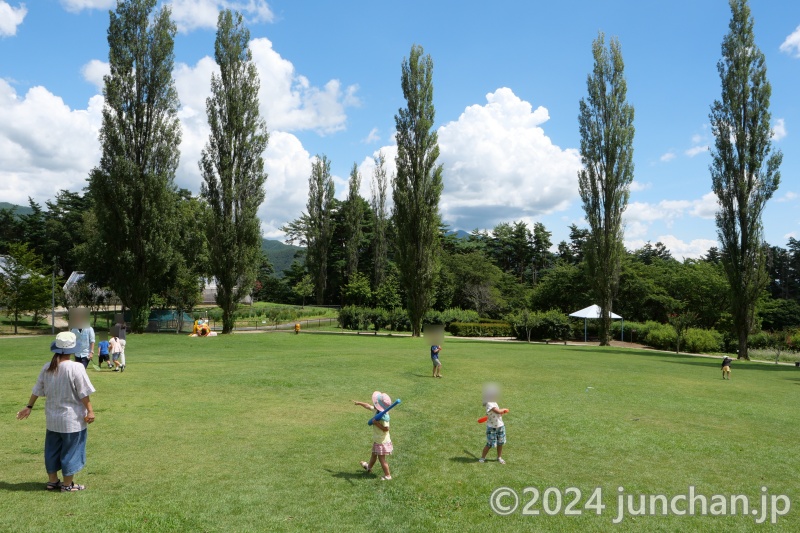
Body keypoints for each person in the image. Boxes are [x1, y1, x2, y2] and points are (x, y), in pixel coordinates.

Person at [16, 332, 96, 492]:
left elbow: (37, 389)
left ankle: (52, 481)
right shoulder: (76, 367)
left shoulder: (47, 367)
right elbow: (83, 392)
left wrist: (29, 406)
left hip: (53, 420)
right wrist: (90, 411)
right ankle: (67, 485)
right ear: (72, 349)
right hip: (72, 420)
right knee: (71, 450)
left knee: (52, 450)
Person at [353, 391, 394, 480]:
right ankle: (369, 467)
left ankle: (388, 475)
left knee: (381, 459)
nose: (374, 404)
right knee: (374, 455)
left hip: (382, 441)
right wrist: (359, 403)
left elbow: (386, 428)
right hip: (378, 439)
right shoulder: (376, 410)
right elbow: (368, 406)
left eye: (376, 403)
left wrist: (376, 423)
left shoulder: (384, 417)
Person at [480, 384, 508, 464]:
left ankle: (499, 457)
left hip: (500, 426)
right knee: (489, 444)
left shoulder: (494, 402)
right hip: (492, 427)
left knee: (500, 443)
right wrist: (504, 410)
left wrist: (501, 414)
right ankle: (482, 457)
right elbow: (497, 411)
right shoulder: (489, 403)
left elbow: (498, 413)